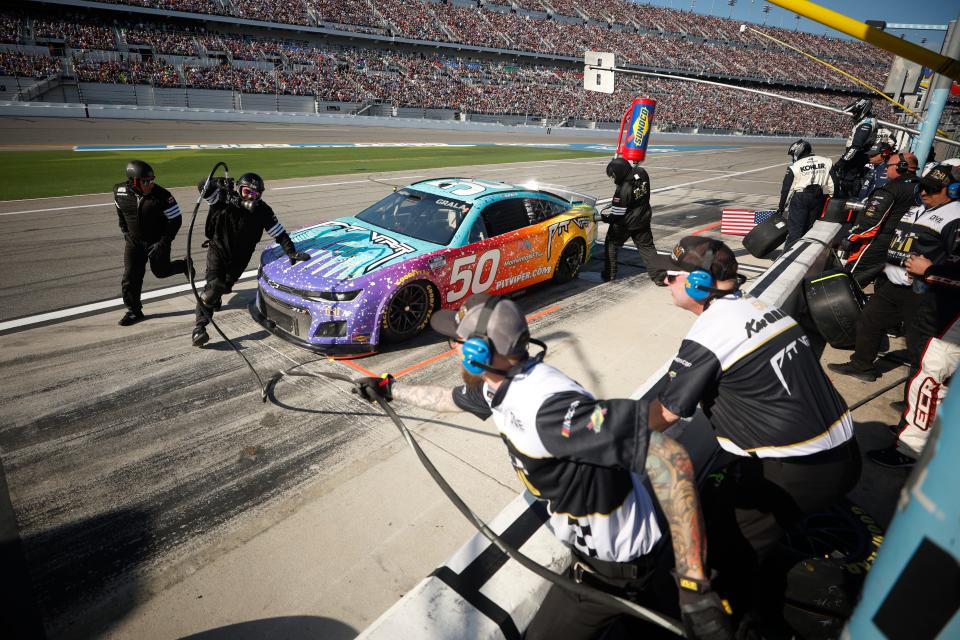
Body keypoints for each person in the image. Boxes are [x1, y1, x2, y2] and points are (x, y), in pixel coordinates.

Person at [352, 294, 731, 640]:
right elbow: (450, 399)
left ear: (477, 352)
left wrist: (694, 583)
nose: (452, 349)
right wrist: (391, 389)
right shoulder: (500, 382)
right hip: (606, 560)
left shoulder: (544, 409)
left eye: (457, 341)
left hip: (613, 571)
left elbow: (671, 458)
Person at [645, 236, 860, 631]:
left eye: (670, 277)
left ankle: (738, 624)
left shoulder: (710, 331)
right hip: (842, 455)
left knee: (717, 550)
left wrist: (610, 427)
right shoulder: (761, 306)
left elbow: (668, 411)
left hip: (799, 469)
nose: (664, 283)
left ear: (695, 284)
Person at [830, 162, 960, 398]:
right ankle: (862, 366)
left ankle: (913, 397)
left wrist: (930, 270)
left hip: (924, 292)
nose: (923, 192)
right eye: (922, 187)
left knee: (919, 346)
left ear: (951, 190)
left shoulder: (956, 217)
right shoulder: (917, 207)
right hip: (893, 283)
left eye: (931, 188)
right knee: (869, 319)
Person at [192, 172, 311, 347]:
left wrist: (291, 252)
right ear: (239, 188)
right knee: (213, 287)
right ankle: (199, 328)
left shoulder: (263, 210)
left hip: (240, 259)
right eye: (247, 192)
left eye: (256, 195)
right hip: (218, 251)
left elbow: (279, 234)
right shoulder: (223, 198)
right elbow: (203, 187)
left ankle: (215, 298)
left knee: (224, 288)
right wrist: (217, 182)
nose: (251, 197)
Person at [114, 160, 191, 326]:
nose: (150, 184)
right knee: (130, 277)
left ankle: (183, 265)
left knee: (161, 272)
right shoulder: (120, 192)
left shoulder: (163, 196)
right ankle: (134, 311)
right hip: (134, 243)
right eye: (146, 181)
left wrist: (163, 243)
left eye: (152, 180)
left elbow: (175, 220)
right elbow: (121, 213)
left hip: (157, 242)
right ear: (134, 181)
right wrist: (125, 232)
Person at [844, 152, 919, 288]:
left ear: (900, 167)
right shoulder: (923, 189)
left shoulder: (891, 188)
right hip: (907, 245)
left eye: (888, 165)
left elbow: (872, 222)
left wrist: (851, 237)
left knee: (849, 282)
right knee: (885, 284)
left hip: (881, 243)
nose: (885, 169)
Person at [602, 158, 666, 285]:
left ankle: (610, 275)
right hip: (643, 218)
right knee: (647, 248)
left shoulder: (622, 191)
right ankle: (659, 277)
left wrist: (604, 218)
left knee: (611, 244)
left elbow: (617, 215)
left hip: (626, 223)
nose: (613, 178)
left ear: (620, 173)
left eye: (614, 175)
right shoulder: (642, 173)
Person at [776, 139, 833, 249]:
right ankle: (802, 252)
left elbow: (787, 189)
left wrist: (781, 207)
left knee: (795, 232)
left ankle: (787, 257)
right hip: (818, 197)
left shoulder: (795, 166)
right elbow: (833, 183)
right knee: (808, 229)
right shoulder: (826, 161)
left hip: (800, 198)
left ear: (798, 151)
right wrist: (832, 197)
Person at [831, 98, 877, 199]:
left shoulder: (866, 124)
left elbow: (856, 147)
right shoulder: (867, 121)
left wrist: (841, 162)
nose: (853, 115)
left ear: (862, 111)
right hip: (856, 159)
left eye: (855, 112)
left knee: (847, 184)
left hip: (855, 161)